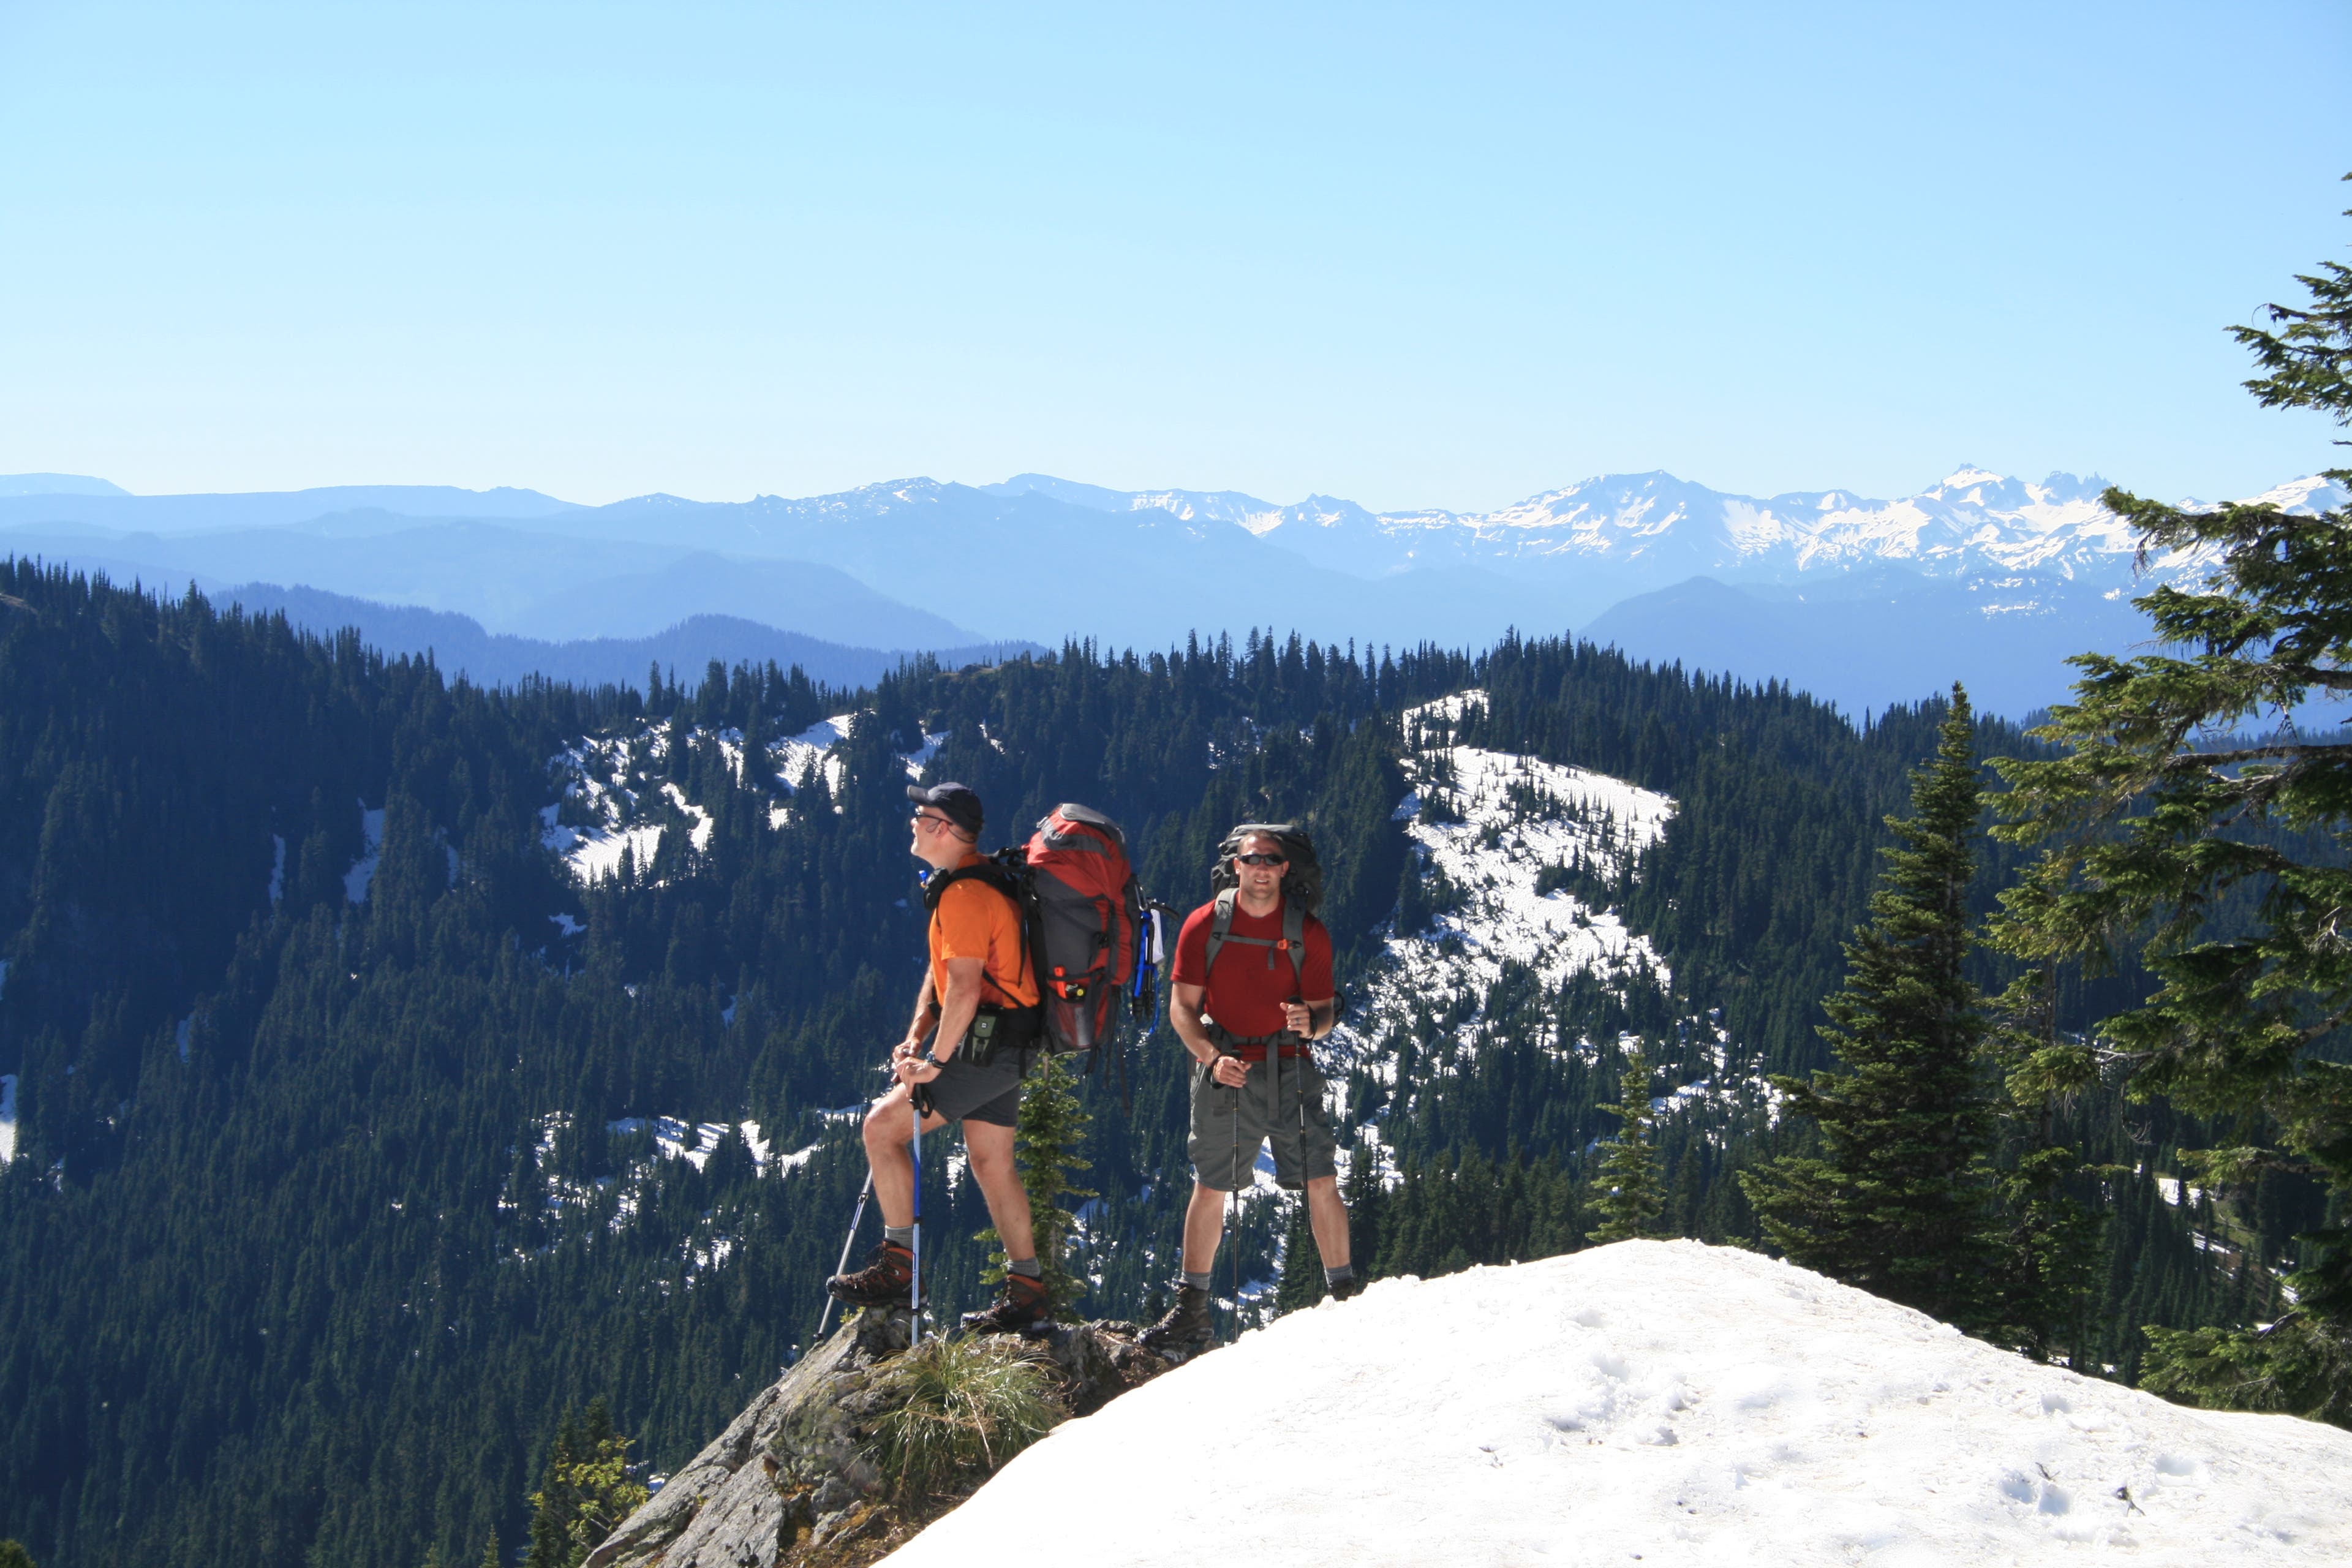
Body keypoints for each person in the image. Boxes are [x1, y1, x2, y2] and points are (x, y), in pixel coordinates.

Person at [826, 781, 1052, 1333]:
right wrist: (917, 1032)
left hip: (987, 1047)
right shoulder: (963, 883)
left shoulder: (965, 894)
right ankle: (1028, 1293)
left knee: (882, 1130)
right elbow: (946, 973)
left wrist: (937, 1064)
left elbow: (968, 989)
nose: (912, 821)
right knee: (992, 1162)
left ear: (944, 829)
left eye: (920, 814)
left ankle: (899, 1269)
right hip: (1009, 1040)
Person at [1140, 823, 1357, 1357]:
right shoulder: (1203, 925)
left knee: (1320, 1179)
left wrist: (1313, 1022)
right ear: (1235, 866)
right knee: (1212, 1184)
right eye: (1251, 858)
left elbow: (1326, 1011)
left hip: (1290, 1064)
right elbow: (1182, 1009)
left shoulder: (1308, 932)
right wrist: (1213, 1060)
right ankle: (1191, 1310)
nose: (1260, 867)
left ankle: (1347, 1297)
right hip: (1227, 1064)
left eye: (1270, 859)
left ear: (1285, 869)